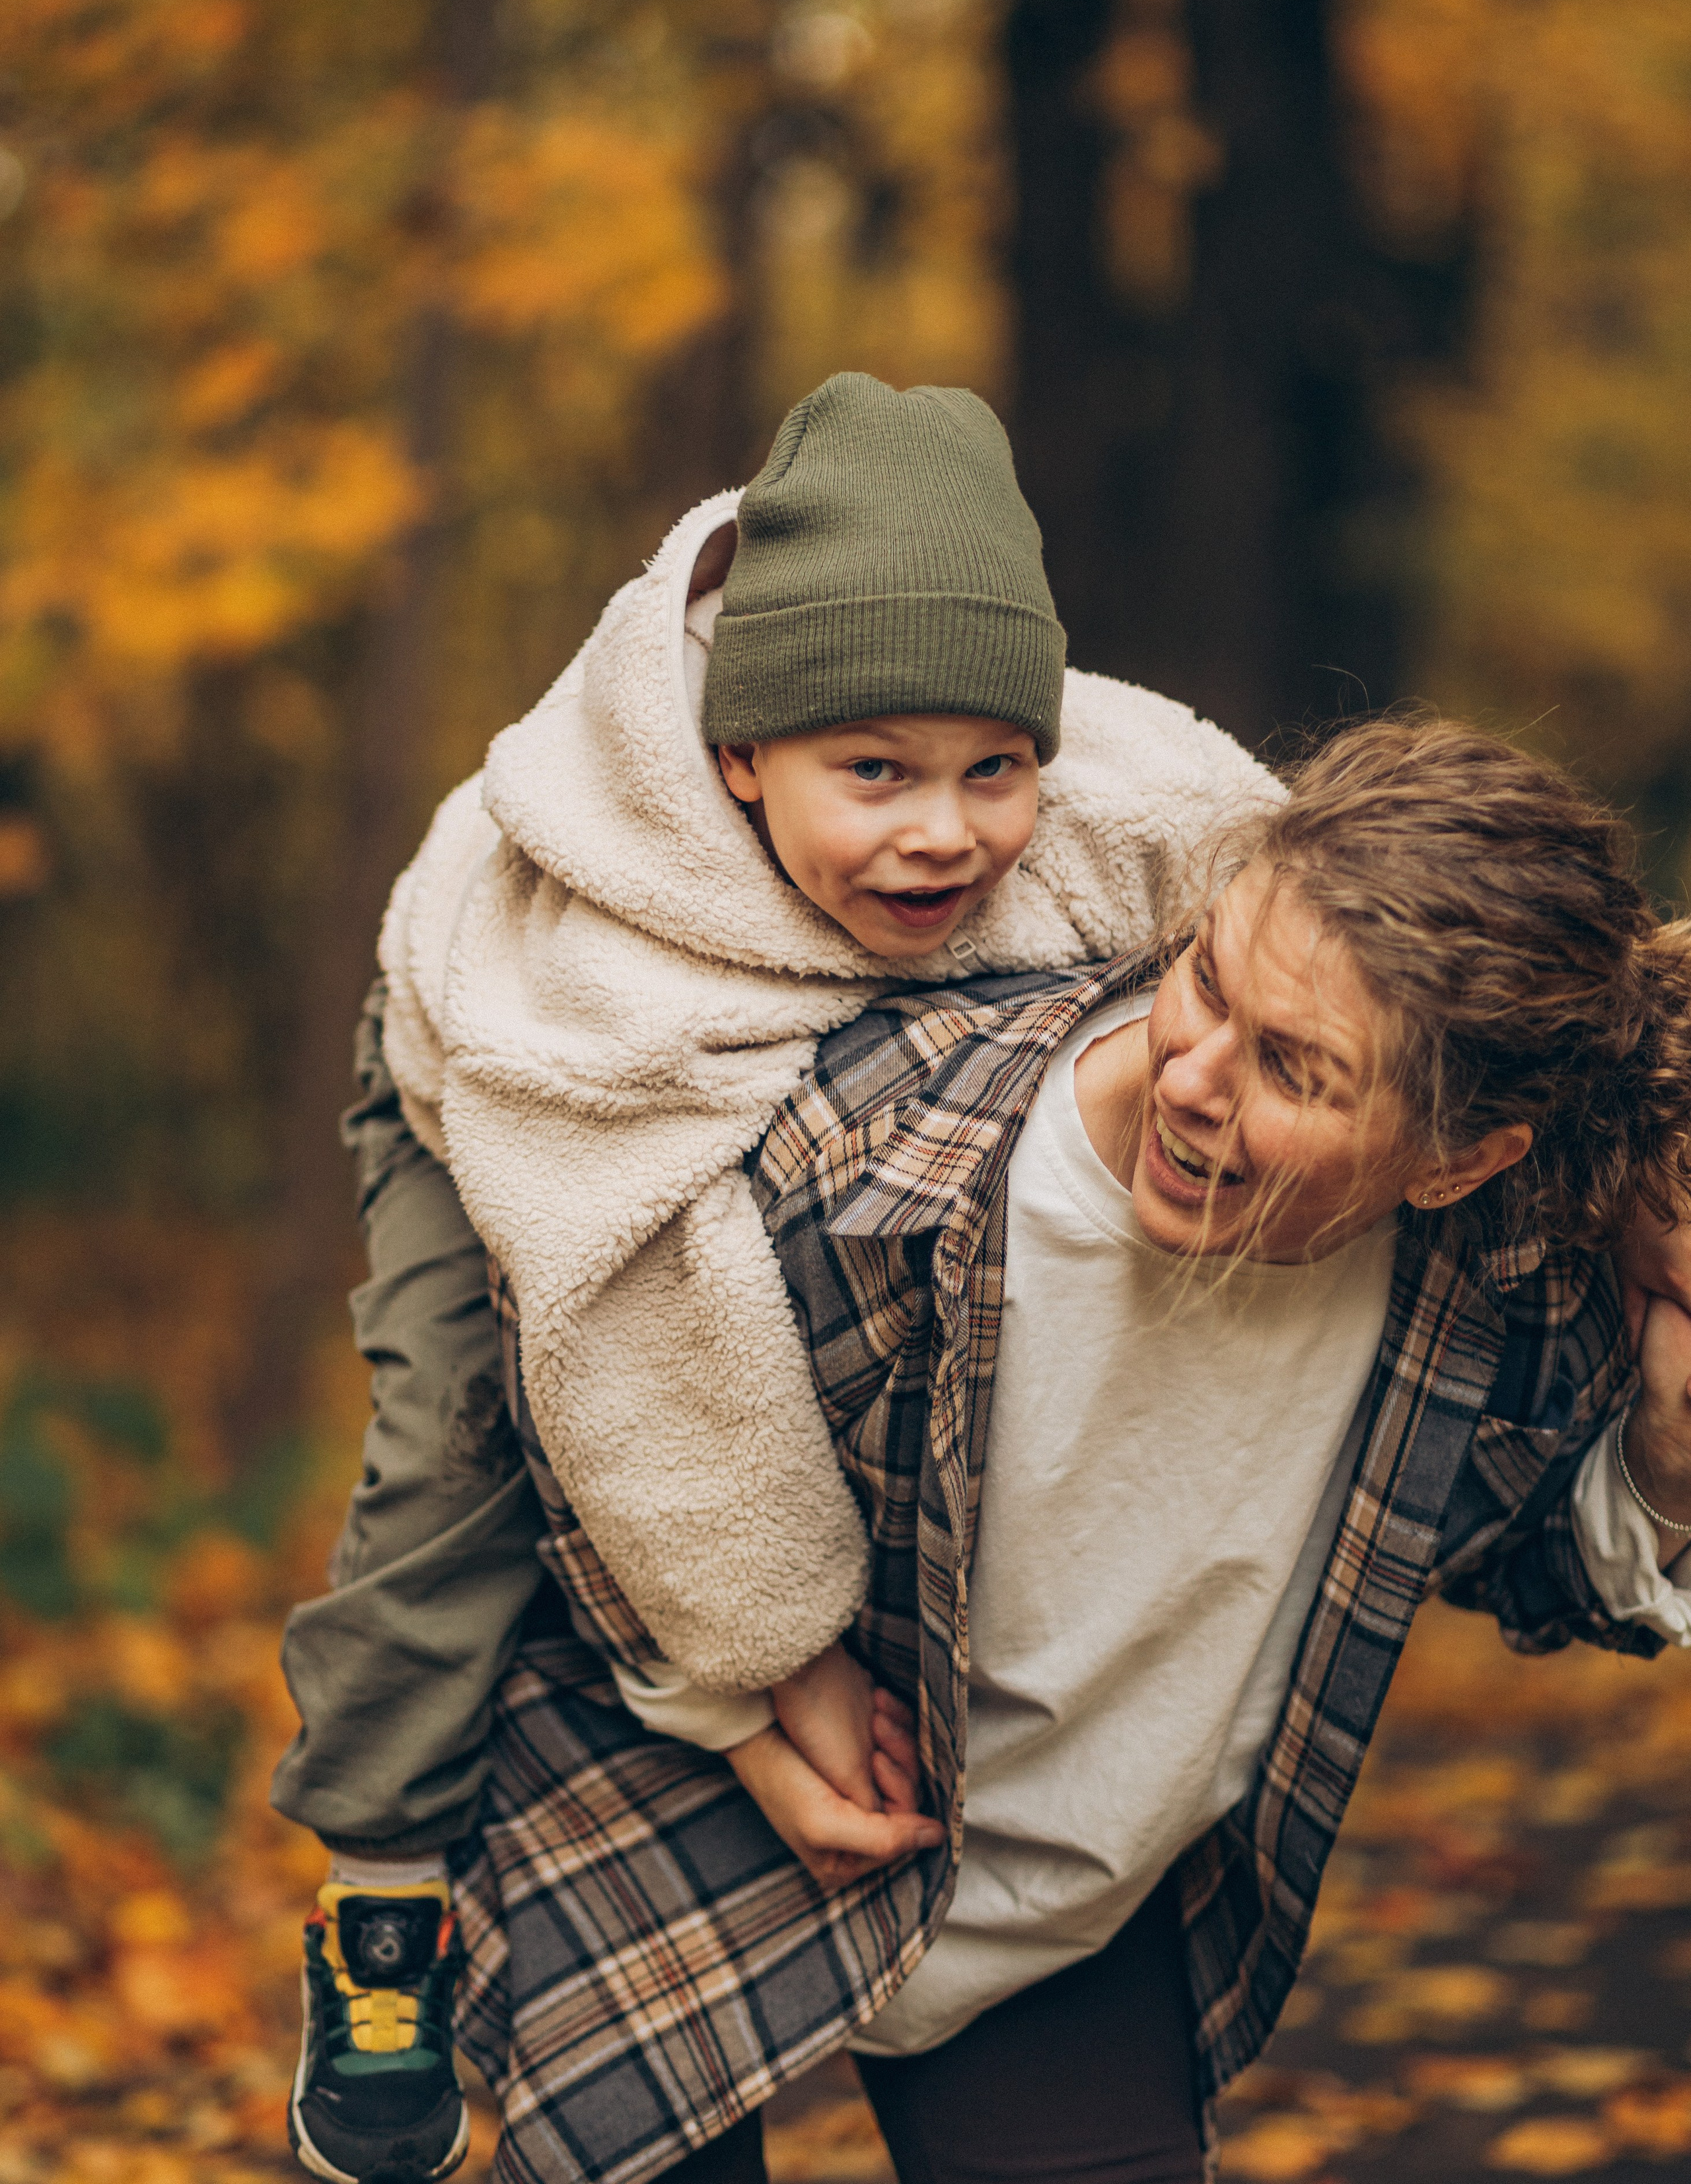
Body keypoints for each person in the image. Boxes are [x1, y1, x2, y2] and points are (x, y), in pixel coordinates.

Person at [446, 717, 1691, 2184]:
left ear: (1455, 1160)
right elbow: (585, 1405)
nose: (1190, 1076)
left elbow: (1528, 1567)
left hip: (1057, 1916)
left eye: (1291, 1070)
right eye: (1206, 979)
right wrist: (739, 1707)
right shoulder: (877, 1159)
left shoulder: (1482, 1277)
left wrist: (1663, 1456)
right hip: (690, 1820)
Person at [275, 372, 1279, 2184]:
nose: (944, 834)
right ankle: (382, 1895)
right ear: (743, 756)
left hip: (767, 1062)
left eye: (993, 770)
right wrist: (774, 1671)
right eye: (873, 775)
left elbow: (1320, 907)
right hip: (491, 1083)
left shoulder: (1116, 804)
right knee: (455, 1443)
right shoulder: (592, 940)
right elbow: (630, 1333)